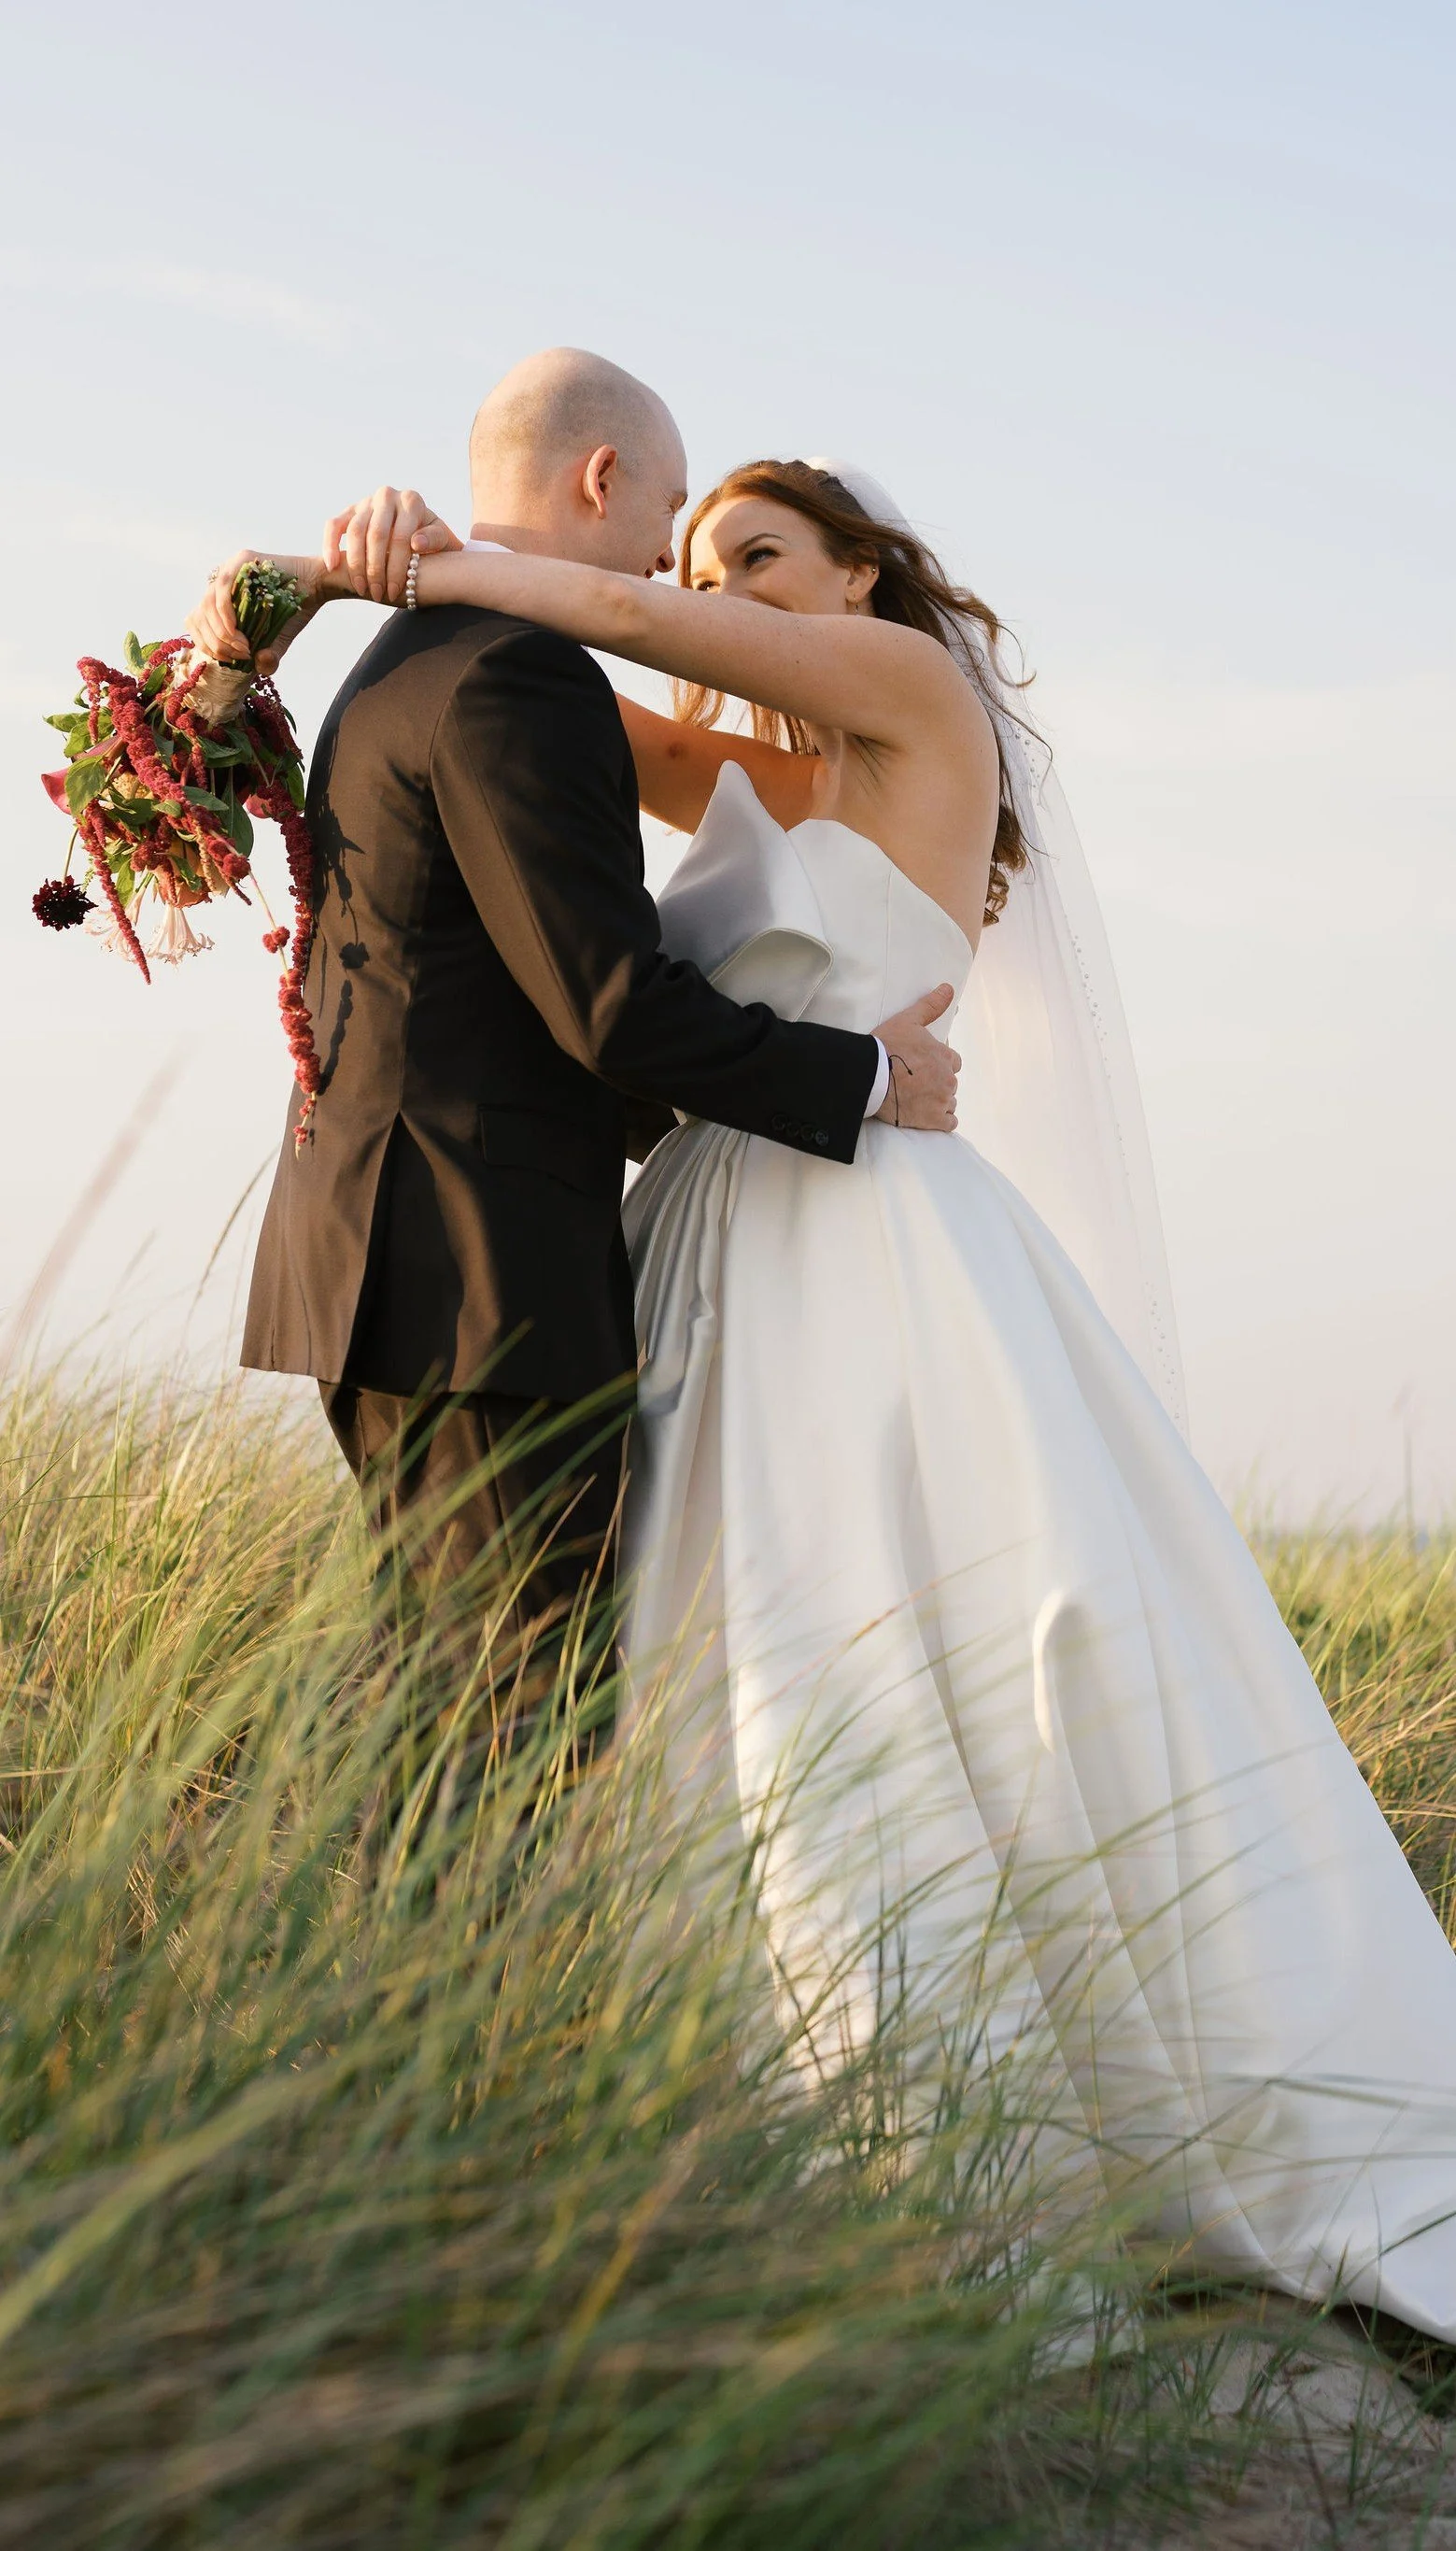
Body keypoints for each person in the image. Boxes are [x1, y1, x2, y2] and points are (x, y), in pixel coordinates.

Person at [197, 443, 1456, 2343]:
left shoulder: (905, 698)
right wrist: (296, 598)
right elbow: (535, 689)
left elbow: (598, 604)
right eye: (711, 560)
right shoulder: (742, 767)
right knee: (698, 1667)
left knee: (887, 1653)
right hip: (709, 1237)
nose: (731, 596)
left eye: (766, 559)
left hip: (872, 1242)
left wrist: (400, 552)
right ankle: (695, 2114)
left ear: (863, 574)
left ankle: (979, 2150)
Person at [209, 353, 958, 1697]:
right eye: (683, 544)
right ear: (602, 477)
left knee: (477, 1698)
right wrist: (861, 1077)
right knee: (514, 1716)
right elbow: (607, 1001)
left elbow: (618, 628)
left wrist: (360, 574)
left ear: (861, 574)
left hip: (450, 1260)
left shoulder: (427, 654)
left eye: (741, 559)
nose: (689, 592)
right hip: (492, 1271)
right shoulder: (519, 671)